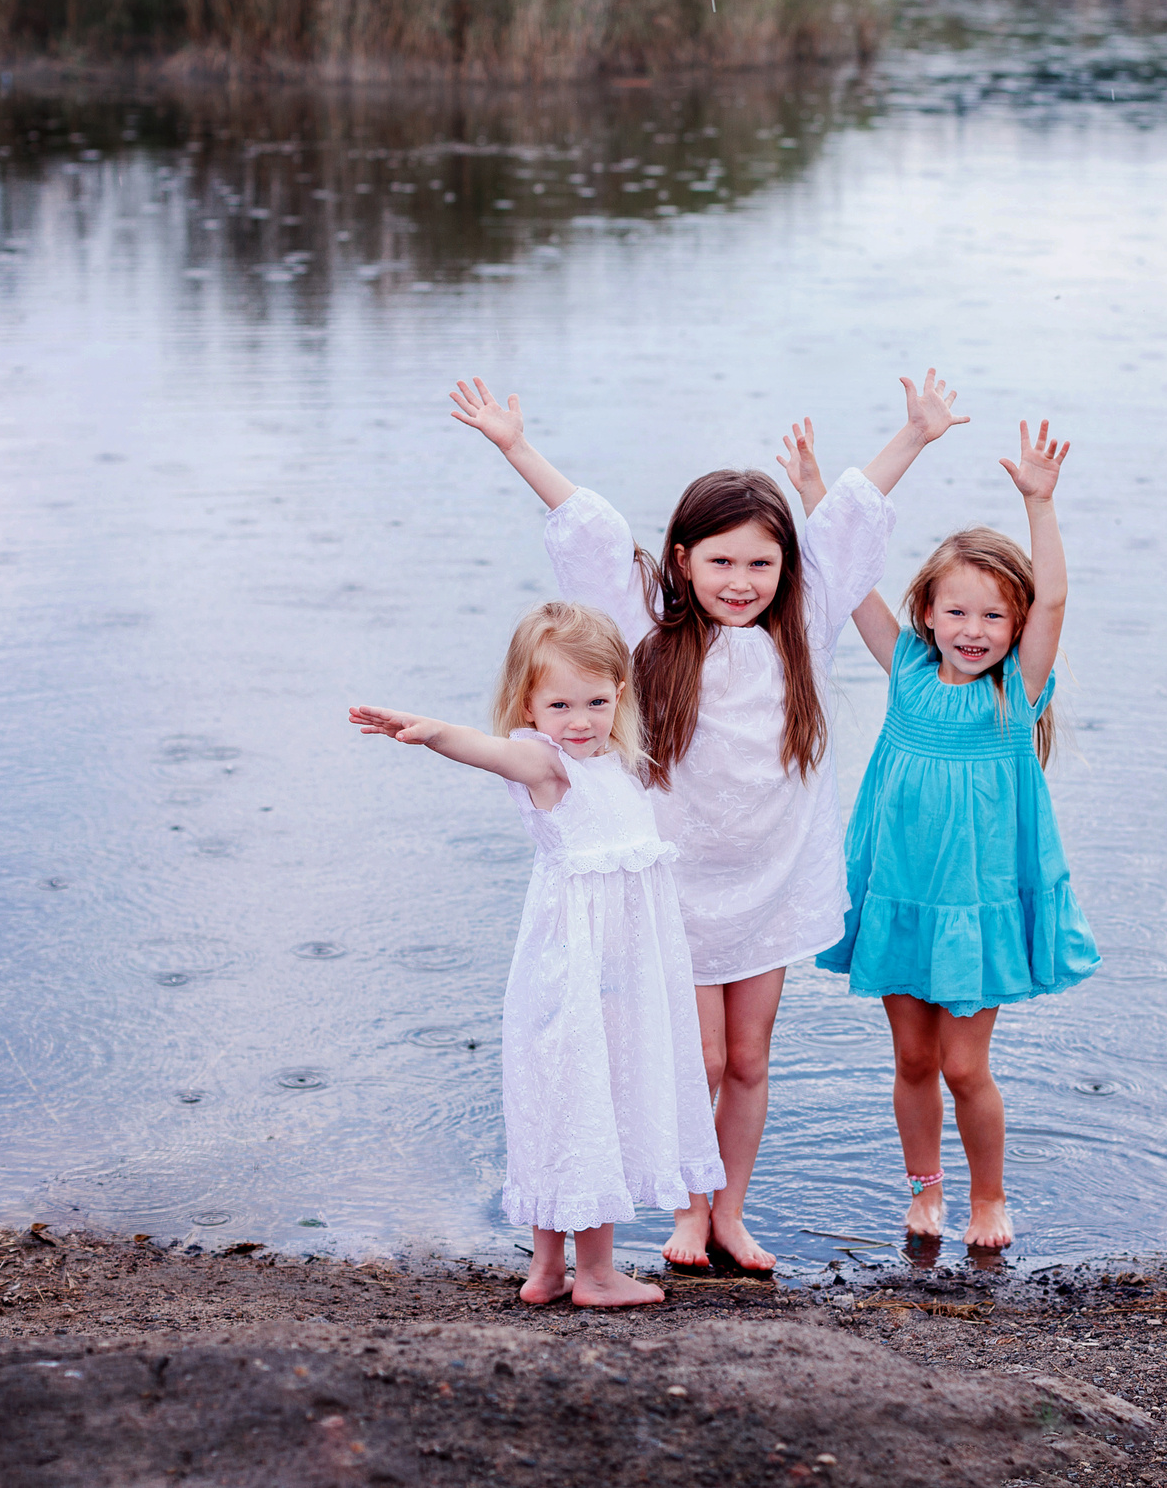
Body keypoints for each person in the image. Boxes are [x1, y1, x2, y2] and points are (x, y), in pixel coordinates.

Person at [449, 372, 964, 1276]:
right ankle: (689, 1215)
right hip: (676, 883)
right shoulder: (648, 628)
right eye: (720, 560)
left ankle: (730, 1213)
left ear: (785, 571)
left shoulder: (803, 622)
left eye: (760, 563)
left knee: (754, 1059)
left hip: (771, 875)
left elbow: (849, 516)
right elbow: (596, 539)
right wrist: (517, 447)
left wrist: (913, 437)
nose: (741, 581)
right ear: (682, 559)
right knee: (706, 1058)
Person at [349, 602, 721, 1308]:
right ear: (527, 704)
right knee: (585, 1103)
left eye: (596, 701)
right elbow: (492, 752)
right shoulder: (545, 763)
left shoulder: (614, 764)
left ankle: (549, 1273)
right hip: (575, 980)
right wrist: (432, 734)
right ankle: (598, 1276)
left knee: (568, 1103)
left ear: (619, 694)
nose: (579, 720)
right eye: (559, 704)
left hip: (605, 980)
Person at [802, 418, 1098, 1253]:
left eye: (993, 615)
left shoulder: (1018, 690)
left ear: (1016, 624)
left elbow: (1059, 598)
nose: (973, 628)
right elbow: (843, 571)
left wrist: (1039, 502)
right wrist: (823, 500)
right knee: (912, 1062)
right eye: (956, 610)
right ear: (926, 613)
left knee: (966, 1066)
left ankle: (990, 1198)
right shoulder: (902, 665)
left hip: (978, 902)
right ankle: (925, 1189)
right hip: (899, 892)